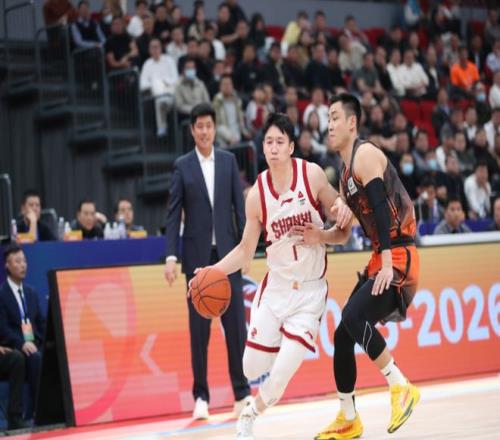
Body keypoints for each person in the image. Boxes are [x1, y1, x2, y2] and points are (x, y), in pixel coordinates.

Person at [191, 112, 351, 439]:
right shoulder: (256, 194)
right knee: (250, 368)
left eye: (280, 142)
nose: (274, 147)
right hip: (276, 289)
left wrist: (321, 234)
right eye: (268, 142)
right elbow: (244, 251)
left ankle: (249, 414)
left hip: (309, 294)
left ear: (291, 146)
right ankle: (279, 340)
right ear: (262, 147)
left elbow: (344, 231)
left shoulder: (312, 176)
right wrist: (211, 271)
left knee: (279, 377)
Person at [303, 94, 420, 439]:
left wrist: (387, 263)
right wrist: (319, 236)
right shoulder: (344, 176)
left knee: (354, 317)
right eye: (328, 119)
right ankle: (348, 417)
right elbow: (343, 234)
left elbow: (382, 211)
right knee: (343, 334)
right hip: (381, 257)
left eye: (335, 117)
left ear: (352, 123)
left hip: (398, 256)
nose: (329, 125)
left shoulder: (365, 155)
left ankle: (400, 386)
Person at [164, 103, 251, 420]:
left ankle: (242, 393)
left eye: (209, 126)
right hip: (196, 258)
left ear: (215, 129)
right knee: (199, 331)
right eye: (199, 126)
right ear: (192, 130)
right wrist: (171, 256)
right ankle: (200, 396)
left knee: (236, 328)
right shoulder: (182, 166)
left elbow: (240, 209)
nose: (204, 131)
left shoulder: (228, 162)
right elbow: (173, 214)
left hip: (228, 256)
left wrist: (247, 249)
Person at [0, 245, 45, 421]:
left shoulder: (31, 293)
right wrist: (21, 343)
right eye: (17, 261)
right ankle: (30, 413)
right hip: (14, 346)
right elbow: (3, 329)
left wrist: (41, 341)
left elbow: (40, 323)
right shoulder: (2, 294)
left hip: (33, 345)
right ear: (7, 265)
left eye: (24, 261)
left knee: (42, 355)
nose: (23, 265)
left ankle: (41, 411)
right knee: (29, 357)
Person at [140, 38, 178, 137]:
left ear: (161, 48)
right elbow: (142, 84)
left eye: (157, 47)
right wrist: (156, 82)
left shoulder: (169, 60)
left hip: (170, 89)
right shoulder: (147, 64)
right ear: (149, 50)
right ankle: (163, 101)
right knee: (156, 84)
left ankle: (162, 127)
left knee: (160, 95)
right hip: (155, 92)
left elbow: (175, 78)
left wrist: (164, 82)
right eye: (152, 47)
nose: (155, 49)